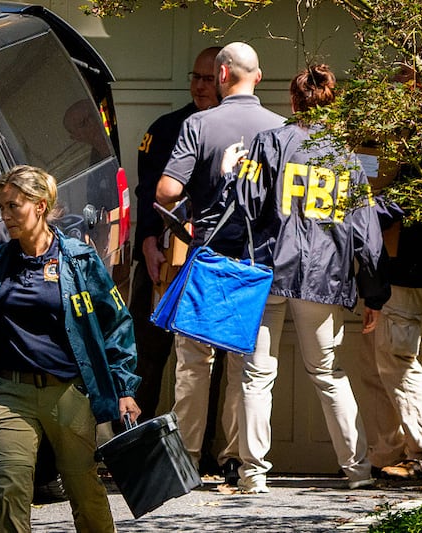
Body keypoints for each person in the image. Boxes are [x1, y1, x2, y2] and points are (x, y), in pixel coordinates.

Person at [221, 64, 390, 493]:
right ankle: (357, 470)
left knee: (256, 376)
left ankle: (252, 474)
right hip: (322, 276)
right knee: (329, 373)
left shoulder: (270, 143)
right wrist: (374, 294)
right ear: (332, 102)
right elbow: (367, 234)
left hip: (268, 272)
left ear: (293, 102)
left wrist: (231, 172)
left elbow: (244, 206)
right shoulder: (346, 158)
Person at [0, 165, 141, 532]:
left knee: (83, 488)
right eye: (2, 207)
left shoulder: (78, 260)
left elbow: (116, 322)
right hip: (10, 392)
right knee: (10, 490)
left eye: (13, 206)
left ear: (39, 205)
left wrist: (125, 388)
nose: (5, 217)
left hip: (68, 391)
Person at [156, 41, 285, 485]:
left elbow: (166, 192)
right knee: (247, 367)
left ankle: (187, 460)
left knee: (194, 365)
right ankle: (240, 463)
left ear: (223, 74)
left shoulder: (199, 124)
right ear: (259, 77)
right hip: (260, 265)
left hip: (208, 261)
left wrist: (197, 201)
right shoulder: (282, 129)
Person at [357, 62, 422, 481]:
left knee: (397, 355)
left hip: (410, 262)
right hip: (378, 262)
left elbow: (413, 198)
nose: (402, 86)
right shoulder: (385, 130)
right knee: (375, 358)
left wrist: (368, 214)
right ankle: (388, 453)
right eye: (398, 79)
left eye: (410, 80)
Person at [130, 47, 221, 443]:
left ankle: (207, 452)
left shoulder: (236, 130)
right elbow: (147, 191)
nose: (200, 86)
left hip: (212, 263)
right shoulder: (166, 128)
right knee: (146, 356)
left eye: (208, 78)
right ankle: (132, 444)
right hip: (161, 258)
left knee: (211, 363)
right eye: (195, 77)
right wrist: (149, 241)